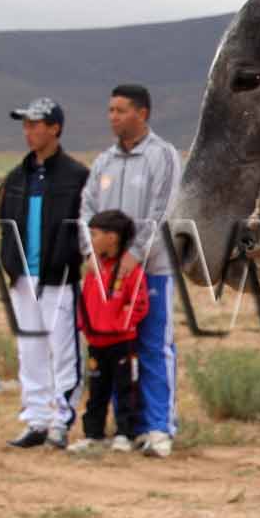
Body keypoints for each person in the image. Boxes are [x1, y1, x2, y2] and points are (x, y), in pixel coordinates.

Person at [86, 82, 185, 459]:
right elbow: (87, 209)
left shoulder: (164, 156)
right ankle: (125, 426)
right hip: (108, 275)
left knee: (153, 345)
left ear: (142, 113)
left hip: (152, 268)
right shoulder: (103, 162)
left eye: (120, 110)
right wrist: (94, 254)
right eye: (110, 110)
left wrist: (136, 254)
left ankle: (158, 427)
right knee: (112, 347)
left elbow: (164, 209)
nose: (113, 117)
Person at [0, 97, 88, 448]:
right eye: (25, 125)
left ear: (55, 128)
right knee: (29, 350)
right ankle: (35, 420)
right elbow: (7, 224)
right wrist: (10, 262)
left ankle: (60, 421)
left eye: (35, 124)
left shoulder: (77, 176)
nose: (29, 131)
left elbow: (86, 224)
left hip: (58, 276)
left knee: (63, 351)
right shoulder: (17, 177)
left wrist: (69, 258)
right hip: (22, 277)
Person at [72, 208, 148, 454]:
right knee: (96, 391)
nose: (90, 240)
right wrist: (85, 324)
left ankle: (125, 434)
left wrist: (119, 324)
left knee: (126, 390)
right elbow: (87, 299)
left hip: (122, 342)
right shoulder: (95, 269)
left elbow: (139, 303)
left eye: (94, 235)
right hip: (96, 342)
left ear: (112, 238)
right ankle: (93, 435)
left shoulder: (130, 269)